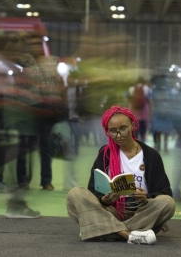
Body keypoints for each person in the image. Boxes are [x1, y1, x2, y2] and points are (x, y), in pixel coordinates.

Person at [66, 105, 175, 245]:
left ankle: (98, 228)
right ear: (107, 132)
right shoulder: (104, 154)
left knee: (168, 203)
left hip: (141, 212)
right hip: (111, 210)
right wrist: (104, 199)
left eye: (123, 129)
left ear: (132, 126)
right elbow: (93, 190)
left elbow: (165, 191)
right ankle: (128, 235)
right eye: (113, 131)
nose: (118, 135)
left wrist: (146, 197)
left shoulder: (151, 155)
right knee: (75, 194)